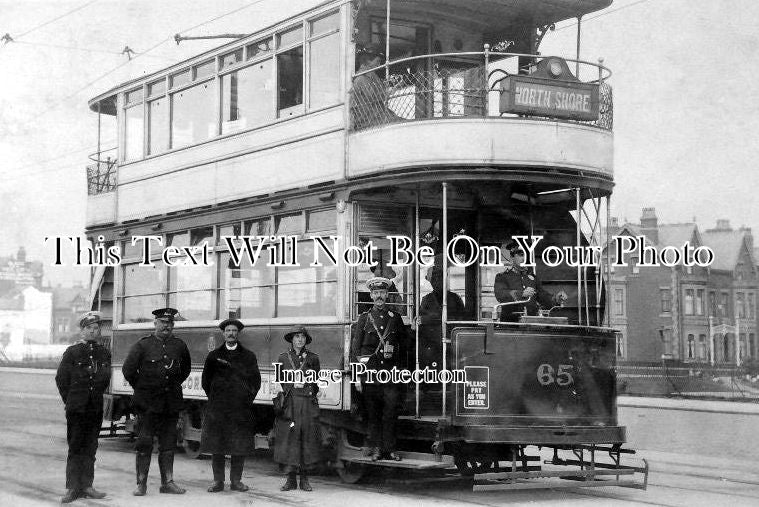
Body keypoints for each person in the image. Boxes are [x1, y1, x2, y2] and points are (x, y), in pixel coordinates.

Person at [122, 307, 191, 496]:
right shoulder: (143, 345)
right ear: (155, 323)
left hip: (170, 403)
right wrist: (144, 389)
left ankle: (167, 482)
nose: (166, 326)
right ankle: (141, 484)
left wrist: (171, 386)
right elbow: (128, 370)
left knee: (168, 445)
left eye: (170, 323)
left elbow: (184, 370)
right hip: (147, 405)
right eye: (163, 323)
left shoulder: (179, 345)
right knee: (144, 444)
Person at [55, 311, 111, 503]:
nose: (94, 332)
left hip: (94, 408)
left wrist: (93, 396)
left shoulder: (104, 353)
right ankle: (72, 488)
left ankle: (87, 485)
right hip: (77, 409)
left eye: (97, 328)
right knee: (75, 447)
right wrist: (71, 400)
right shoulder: (72, 352)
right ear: (83, 330)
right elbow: (61, 379)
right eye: (90, 328)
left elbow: (104, 378)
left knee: (91, 448)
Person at [350, 276, 408, 461]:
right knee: (373, 414)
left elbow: (404, 347)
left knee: (390, 413)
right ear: (371, 295)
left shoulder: (395, 318)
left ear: (387, 294)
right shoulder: (364, 319)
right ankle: (376, 448)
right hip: (370, 375)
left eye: (382, 292)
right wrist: (358, 377)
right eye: (375, 293)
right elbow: (356, 350)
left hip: (390, 376)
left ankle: (390, 449)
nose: (379, 296)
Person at [200, 318, 261, 493]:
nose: (231, 334)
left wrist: (246, 399)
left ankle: (236, 481)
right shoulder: (213, 356)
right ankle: (218, 482)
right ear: (223, 334)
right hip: (218, 409)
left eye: (234, 331)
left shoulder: (248, 356)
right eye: (228, 331)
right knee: (217, 446)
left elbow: (255, 381)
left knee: (239, 446)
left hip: (240, 409)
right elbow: (206, 381)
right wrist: (215, 398)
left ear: (238, 333)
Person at [273, 326, 322, 492]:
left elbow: (316, 383)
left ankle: (305, 480)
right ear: (291, 339)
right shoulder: (282, 358)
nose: (300, 339)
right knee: (290, 441)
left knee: (306, 440)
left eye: (302, 337)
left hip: (307, 404)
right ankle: (290, 480)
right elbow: (280, 381)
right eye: (297, 337)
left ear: (306, 340)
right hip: (290, 404)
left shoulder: (313, 358)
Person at [494, 240, 567, 322]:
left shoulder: (533, 278)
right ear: (512, 257)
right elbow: (500, 295)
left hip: (530, 324)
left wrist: (557, 299)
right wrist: (521, 294)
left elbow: (543, 297)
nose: (524, 258)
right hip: (510, 325)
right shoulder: (502, 276)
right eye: (521, 255)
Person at [419, 264, 465, 370]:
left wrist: (429, 319)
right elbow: (421, 323)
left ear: (444, 278)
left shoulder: (455, 299)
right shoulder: (426, 299)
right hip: (432, 346)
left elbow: (461, 320)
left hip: (452, 344)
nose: (437, 281)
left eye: (439, 277)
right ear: (429, 281)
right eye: (434, 278)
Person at [351, 43, 403, 129]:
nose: (378, 65)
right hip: (370, 119)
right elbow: (376, 96)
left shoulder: (370, 76)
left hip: (377, 116)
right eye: (377, 61)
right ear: (368, 60)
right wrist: (391, 90)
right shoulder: (361, 79)